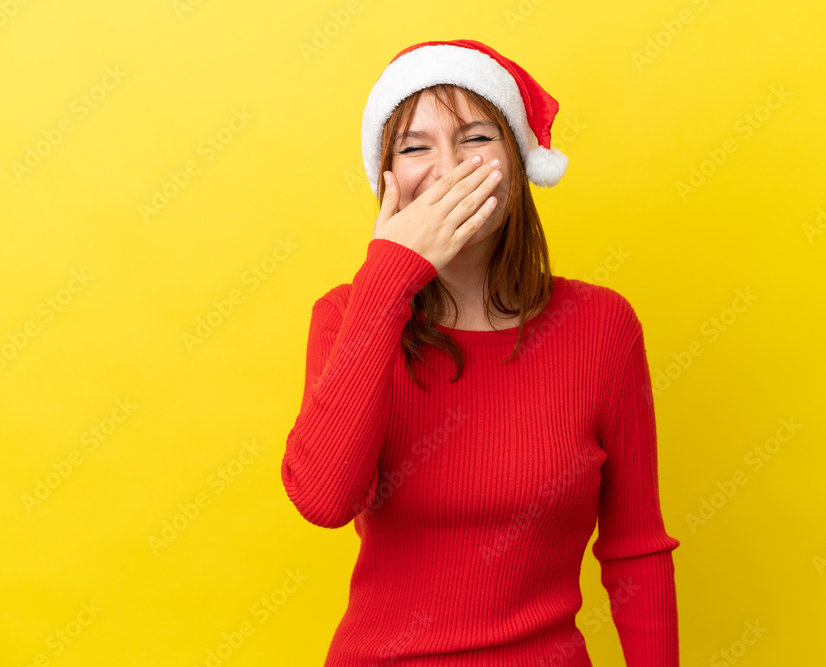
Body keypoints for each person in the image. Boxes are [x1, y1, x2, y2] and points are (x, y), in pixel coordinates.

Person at [282, 39, 682, 667]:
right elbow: (325, 500)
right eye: (415, 146)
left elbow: (636, 548)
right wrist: (389, 278)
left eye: (475, 138)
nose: (448, 167)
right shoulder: (345, 317)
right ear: (387, 179)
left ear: (519, 160)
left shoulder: (603, 326)